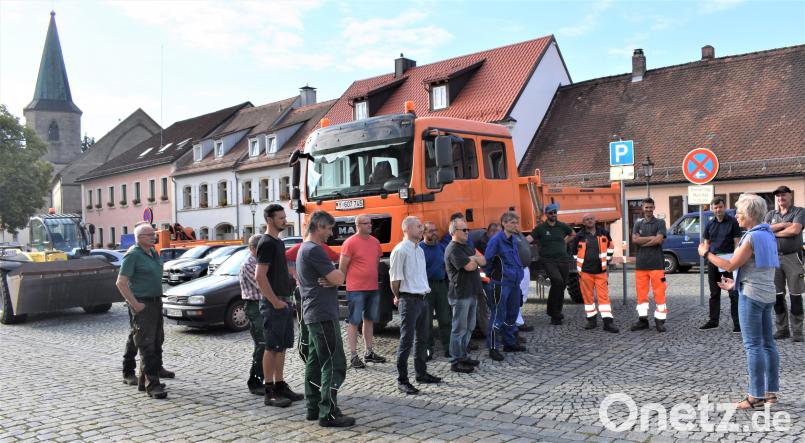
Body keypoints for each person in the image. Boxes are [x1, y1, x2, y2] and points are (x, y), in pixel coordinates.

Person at [698, 193, 780, 409]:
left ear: (751, 214)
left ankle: (755, 396)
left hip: (751, 296)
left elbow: (730, 265)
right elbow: (759, 268)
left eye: (740, 212)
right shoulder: (768, 234)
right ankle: (771, 393)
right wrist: (735, 284)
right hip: (766, 293)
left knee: (753, 346)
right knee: (768, 344)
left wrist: (706, 253)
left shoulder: (751, 237)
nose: (736, 216)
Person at [297, 210, 354, 427]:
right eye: (329, 228)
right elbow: (338, 278)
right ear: (319, 226)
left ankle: (313, 408)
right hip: (323, 314)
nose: (331, 233)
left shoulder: (304, 248)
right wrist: (339, 272)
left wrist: (334, 278)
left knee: (315, 362)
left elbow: (333, 279)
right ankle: (328, 413)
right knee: (334, 362)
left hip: (314, 313)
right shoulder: (315, 250)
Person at [255, 204, 303, 408]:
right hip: (273, 302)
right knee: (272, 346)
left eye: (285, 217)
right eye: (280, 218)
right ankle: (269, 392)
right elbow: (260, 276)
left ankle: (280, 385)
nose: (285, 220)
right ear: (269, 220)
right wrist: (274, 301)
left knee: (281, 346)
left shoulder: (278, 242)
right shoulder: (266, 242)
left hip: (283, 300)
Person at [390, 216, 442, 394]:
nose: (422, 229)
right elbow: (395, 280)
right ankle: (402, 380)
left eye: (421, 226)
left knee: (422, 338)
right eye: (418, 226)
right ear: (406, 229)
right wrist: (399, 297)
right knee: (406, 340)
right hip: (409, 299)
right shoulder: (400, 250)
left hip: (423, 298)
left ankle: (421, 373)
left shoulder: (419, 250)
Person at [115, 224, 168, 399]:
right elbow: (121, 283)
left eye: (153, 234)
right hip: (142, 304)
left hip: (155, 302)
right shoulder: (133, 255)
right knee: (146, 344)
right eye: (149, 235)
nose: (154, 237)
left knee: (157, 340)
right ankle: (152, 385)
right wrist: (135, 304)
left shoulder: (152, 252)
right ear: (139, 238)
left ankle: (143, 380)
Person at [340, 214, 386, 369]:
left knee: (369, 320)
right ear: (358, 225)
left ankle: (369, 352)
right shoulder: (350, 243)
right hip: (356, 289)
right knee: (354, 321)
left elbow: (376, 262)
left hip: (372, 287)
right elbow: (343, 266)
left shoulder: (375, 242)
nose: (370, 225)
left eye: (370, 223)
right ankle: (353, 356)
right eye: (366, 223)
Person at [484, 211, 528, 361]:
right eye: (513, 223)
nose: (516, 225)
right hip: (501, 284)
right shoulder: (496, 240)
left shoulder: (513, 239)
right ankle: (493, 347)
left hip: (514, 283)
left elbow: (515, 259)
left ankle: (509, 343)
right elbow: (487, 260)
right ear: (504, 223)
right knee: (498, 315)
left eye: (517, 222)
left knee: (512, 314)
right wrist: (494, 276)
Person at [765, 186, 805, 342]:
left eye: (783, 195)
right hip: (774, 259)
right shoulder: (771, 214)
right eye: (778, 196)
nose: (780, 198)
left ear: (790, 196)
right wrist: (784, 225)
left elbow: (795, 231)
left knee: (795, 295)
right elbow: (764, 230)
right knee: (777, 296)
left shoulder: (799, 212)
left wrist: (774, 232)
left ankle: (797, 331)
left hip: (793, 258)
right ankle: (782, 329)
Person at [444, 217, 484, 373]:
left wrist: (473, 259)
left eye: (468, 229)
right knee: (459, 329)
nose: (468, 232)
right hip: (460, 294)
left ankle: (463, 355)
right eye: (464, 230)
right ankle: (455, 361)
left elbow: (483, 260)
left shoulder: (467, 246)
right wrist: (474, 260)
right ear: (454, 232)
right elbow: (469, 267)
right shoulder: (453, 249)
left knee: (469, 327)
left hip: (472, 292)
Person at [699, 197, 742, 332]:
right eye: (715, 208)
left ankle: (738, 324)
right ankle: (713, 321)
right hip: (713, 261)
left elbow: (737, 242)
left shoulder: (733, 222)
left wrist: (735, 260)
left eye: (720, 207)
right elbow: (706, 243)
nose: (718, 210)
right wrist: (707, 255)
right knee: (714, 293)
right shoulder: (710, 224)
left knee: (733, 293)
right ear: (712, 209)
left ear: (725, 207)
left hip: (729, 261)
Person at [528, 203, 575, 325]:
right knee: (557, 281)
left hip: (563, 259)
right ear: (546, 214)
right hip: (548, 260)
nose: (553, 214)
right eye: (551, 213)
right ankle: (552, 311)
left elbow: (573, 234)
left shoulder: (561, 226)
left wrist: (564, 242)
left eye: (555, 212)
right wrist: (516, 241)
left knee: (562, 285)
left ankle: (556, 314)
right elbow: (529, 239)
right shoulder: (540, 228)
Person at [572, 214, 619, 333]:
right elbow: (574, 253)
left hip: (600, 271)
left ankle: (608, 322)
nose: (589, 221)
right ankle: (591, 321)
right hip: (585, 272)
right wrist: (580, 267)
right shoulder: (579, 236)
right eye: (587, 219)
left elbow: (611, 247)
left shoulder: (604, 233)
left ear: (595, 220)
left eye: (591, 219)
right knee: (587, 297)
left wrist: (607, 261)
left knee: (604, 297)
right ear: (583, 222)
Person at [630, 198, 668, 332]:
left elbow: (659, 240)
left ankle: (660, 321)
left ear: (654, 208)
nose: (648, 210)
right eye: (646, 207)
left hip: (657, 264)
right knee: (641, 294)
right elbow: (634, 240)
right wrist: (652, 238)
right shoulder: (638, 223)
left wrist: (643, 242)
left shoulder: (660, 222)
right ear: (643, 208)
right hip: (641, 264)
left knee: (659, 293)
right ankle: (643, 320)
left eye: (651, 207)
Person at [419, 222, 452, 359]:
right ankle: (427, 349)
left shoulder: (441, 247)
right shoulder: (419, 249)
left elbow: (446, 265)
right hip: (425, 287)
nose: (434, 233)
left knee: (445, 318)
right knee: (426, 321)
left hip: (441, 285)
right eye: (430, 231)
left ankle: (449, 348)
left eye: (435, 230)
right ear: (423, 233)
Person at [240, 234, 266, 395]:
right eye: (260, 248)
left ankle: (266, 379)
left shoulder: (261, 261)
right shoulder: (249, 264)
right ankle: (255, 381)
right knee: (261, 344)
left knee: (268, 344)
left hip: (264, 304)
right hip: (254, 306)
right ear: (252, 249)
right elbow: (262, 284)